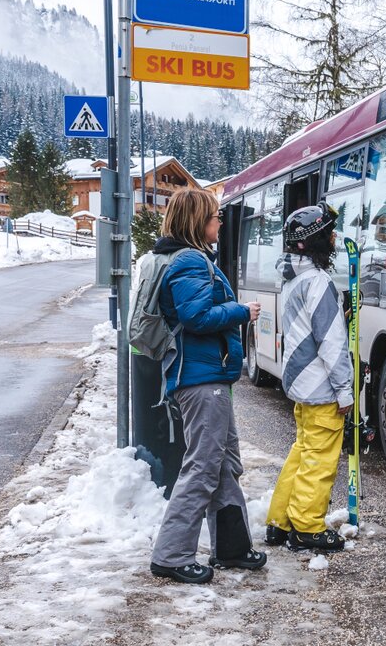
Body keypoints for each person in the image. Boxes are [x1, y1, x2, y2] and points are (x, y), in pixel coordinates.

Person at [149, 188, 264, 585]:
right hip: (200, 380)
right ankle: (171, 555)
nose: (220, 222)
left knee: (223, 462)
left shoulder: (191, 260)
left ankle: (231, 546)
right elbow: (196, 316)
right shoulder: (191, 262)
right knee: (202, 465)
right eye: (214, 216)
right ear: (198, 222)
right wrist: (241, 311)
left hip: (208, 377)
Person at [265, 203, 353, 552]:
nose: (334, 238)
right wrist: (345, 389)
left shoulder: (293, 278)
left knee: (301, 453)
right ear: (316, 240)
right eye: (328, 232)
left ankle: (280, 521)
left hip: (301, 384)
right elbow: (331, 342)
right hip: (321, 388)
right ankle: (307, 527)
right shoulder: (319, 281)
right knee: (319, 460)